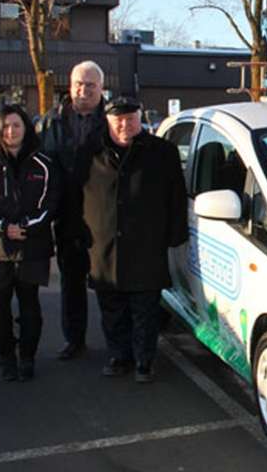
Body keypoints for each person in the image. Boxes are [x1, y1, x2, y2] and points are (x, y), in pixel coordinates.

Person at [77, 97, 187, 383]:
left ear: (140, 119)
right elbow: (74, 197)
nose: (125, 125)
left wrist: (175, 235)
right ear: (108, 121)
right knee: (111, 308)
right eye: (119, 120)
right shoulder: (90, 153)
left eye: (131, 119)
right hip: (103, 243)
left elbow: (176, 196)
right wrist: (77, 235)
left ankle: (144, 361)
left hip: (147, 243)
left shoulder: (163, 152)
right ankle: (118, 356)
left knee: (145, 308)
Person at [0, 105, 59, 381]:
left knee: (30, 305)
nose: (11, 131)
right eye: (5, 126)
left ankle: (27, 357)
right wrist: (5, 228)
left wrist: (25, 227)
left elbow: (51, 203)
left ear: (26, 128)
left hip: (32, 246)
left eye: (16, 125)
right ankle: (7, 358)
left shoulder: (45, 163)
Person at [38, 60, 107, 360]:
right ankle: (74, 339)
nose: (83, 90)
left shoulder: (112, 123)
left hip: (103, 216)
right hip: (65, 215)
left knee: (108, 282)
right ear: (69, 86)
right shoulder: (48, 123)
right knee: (71, 282)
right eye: (79, 83)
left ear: (101, 89)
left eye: (90, 85)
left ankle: (117, 344)